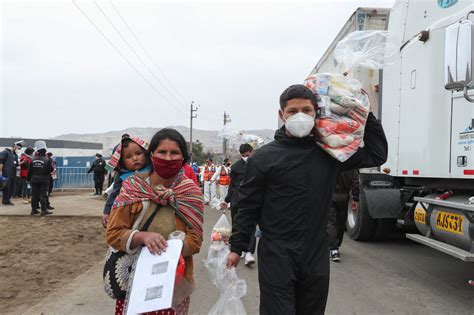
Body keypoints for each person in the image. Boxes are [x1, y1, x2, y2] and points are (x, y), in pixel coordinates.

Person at [227, 84, 388, 314]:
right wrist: (237, 247)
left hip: (315, 252)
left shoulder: (329, 154)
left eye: (306, 110)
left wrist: (365, 113)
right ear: (281, 115)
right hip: (277, 253)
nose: (300, 116)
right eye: (292, 111)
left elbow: (376, 153)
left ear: (316, 113)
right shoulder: (263, 158)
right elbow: (248, 206)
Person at [105, 128, 204, 315]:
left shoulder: (191, 193)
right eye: (161, 152)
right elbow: (113, 233)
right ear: (151, 155)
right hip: (135, 283)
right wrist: (141, 237)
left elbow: (196, 240)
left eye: (174, 152)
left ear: (183, 157)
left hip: (175, 283)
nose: (167, 158)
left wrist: (171, 249)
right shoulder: (133, 186)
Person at [102, 137, 151, 228]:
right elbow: (113, 195)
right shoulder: (123, 178)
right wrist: (106, 212)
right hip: (131, 214)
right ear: (121, 163)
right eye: (128, 157)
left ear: (146, 154)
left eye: (138, 153)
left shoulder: (154, 171)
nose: (135, 158)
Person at [220, 143, 256, 266]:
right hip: (237, 200)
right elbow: (232, 185)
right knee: (237, 224)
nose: (247, 156)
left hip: (251, 200)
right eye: (245, 155)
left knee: (251, 225)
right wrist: (227, 200)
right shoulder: (235, 167)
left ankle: (249, 252)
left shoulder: (257, 165)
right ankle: (238, 248)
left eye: (248, 154)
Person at [327, 169, 359, 262]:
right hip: (344, 198)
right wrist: (355, 199)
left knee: (331, 223)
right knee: (341, 223)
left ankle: (334, 249)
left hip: (331, 197)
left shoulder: (331, 163)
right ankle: (337, 245)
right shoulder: (352, 167)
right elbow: (355, 182)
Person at [28, 141, 54, 215]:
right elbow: (51, 169)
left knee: (34, 195)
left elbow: (29, 171)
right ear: (45, 151)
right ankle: (43, 210)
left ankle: (33, 210)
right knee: (43, 195)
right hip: (44, 179)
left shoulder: (33, 159)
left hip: (34, 179)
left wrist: (28, 179)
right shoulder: (47, 159)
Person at [0, 141, 22, 205]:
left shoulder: (15, 155)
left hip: (13, 173)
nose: (18, 150)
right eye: (18, 148)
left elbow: (16, 164)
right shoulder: (5, 152)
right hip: (6, 173)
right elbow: (1, 162)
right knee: (7, 187)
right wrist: (0, 171)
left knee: (12, 187)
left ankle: (8, 200)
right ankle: (5, 200)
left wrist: (22, 162)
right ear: (14, 146)